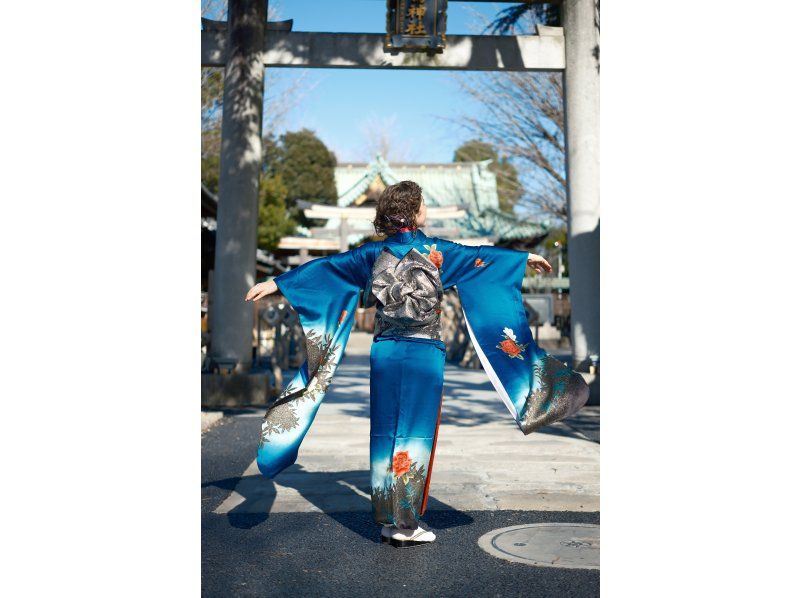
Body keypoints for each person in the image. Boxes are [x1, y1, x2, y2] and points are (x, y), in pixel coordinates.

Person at [246, 181, 588, 548]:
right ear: (415, 212)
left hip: (386, 351)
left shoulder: (371, 254)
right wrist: (523, 259)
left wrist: (278, 283)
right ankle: (407, 523)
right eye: (423, 204)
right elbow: (480, 258)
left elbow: (327, 269)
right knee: (416, 431)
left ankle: (388, 519)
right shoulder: (437, 251)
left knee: (386, 431)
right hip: (424, 352)